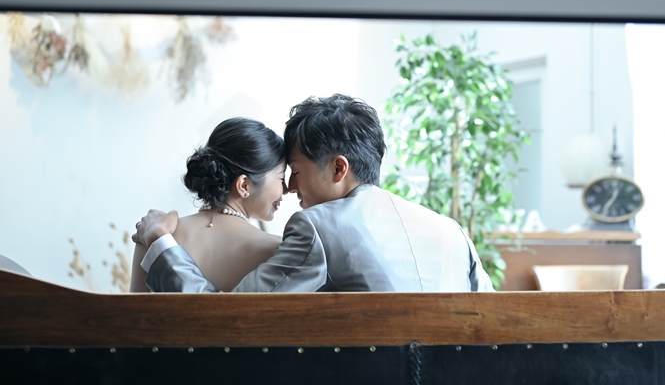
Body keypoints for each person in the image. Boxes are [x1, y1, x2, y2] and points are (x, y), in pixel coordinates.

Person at [134, 94, 494, 292]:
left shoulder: (317, 228)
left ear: (338, 169)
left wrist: (162, 244)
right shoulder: (451, 231)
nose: (290, 187)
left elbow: (227, 318)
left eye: (296, 172)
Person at [130, 117, 287, 292]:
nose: (287, 189)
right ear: (244, 185)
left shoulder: (153, 233)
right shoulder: (280, 250)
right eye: (281, 178)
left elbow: (133, 309)